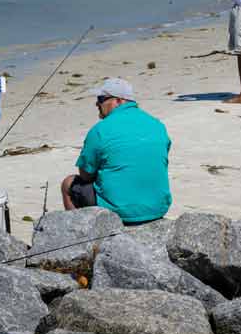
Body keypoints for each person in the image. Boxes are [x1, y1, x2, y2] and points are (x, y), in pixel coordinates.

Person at [60, 77, 171, 224]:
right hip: (157, 208)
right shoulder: (157, 125)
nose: (97, 104)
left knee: (68, 184)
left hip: (118, 212)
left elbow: (86, 175)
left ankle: (77, 232)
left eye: (101, 99)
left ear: (119, 100)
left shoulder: (100, 130)